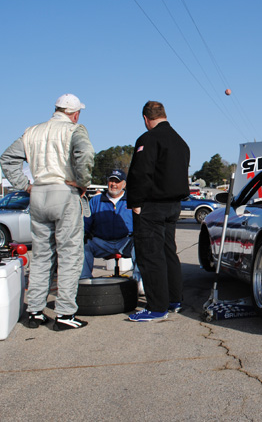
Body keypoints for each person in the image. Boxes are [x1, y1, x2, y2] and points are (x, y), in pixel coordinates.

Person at [0, 93, 94, 331]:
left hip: (38, 194)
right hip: (64, 191)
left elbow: (8, 158)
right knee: (70, 256)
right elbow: (85, 154)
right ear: (75, 113)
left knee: (42, 256)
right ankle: (64, 314)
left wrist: (25, 185)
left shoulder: (32, 131)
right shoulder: (75, 129)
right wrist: (83, 181)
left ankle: (35, 311)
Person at [126, 101, 190, 322]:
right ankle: (174, 299)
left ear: (146, 119)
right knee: (168, 252)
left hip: (151, 206)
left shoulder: (148, 139)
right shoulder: (181, 142)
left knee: (150, 256)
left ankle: (156, 307)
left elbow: (140, 173)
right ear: (164, 114)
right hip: (173, 205)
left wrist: (135, 202)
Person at [81, 169, 142, 290]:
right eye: (111, 181)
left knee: (140, 244)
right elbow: (86, 223)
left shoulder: (132, 199)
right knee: (83, 246)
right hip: (102, 243)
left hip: (125, 242)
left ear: (124, 184)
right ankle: (84, 281)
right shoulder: (95, 201)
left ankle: (139, 282)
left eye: (117, 181)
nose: (114, 184)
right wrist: (83, 235)